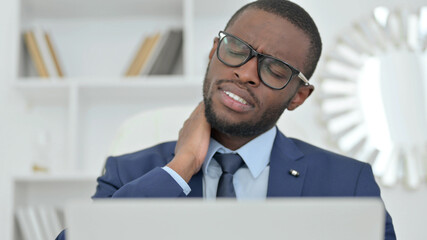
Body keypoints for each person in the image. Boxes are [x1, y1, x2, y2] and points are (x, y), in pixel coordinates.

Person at [56, 0, 396, 239]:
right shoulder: (129, 173)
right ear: (213, 50)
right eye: (236, 49)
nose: (246, 73)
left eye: (275, 69)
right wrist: (181, 168)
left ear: (298, 96)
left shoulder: (348, 185)